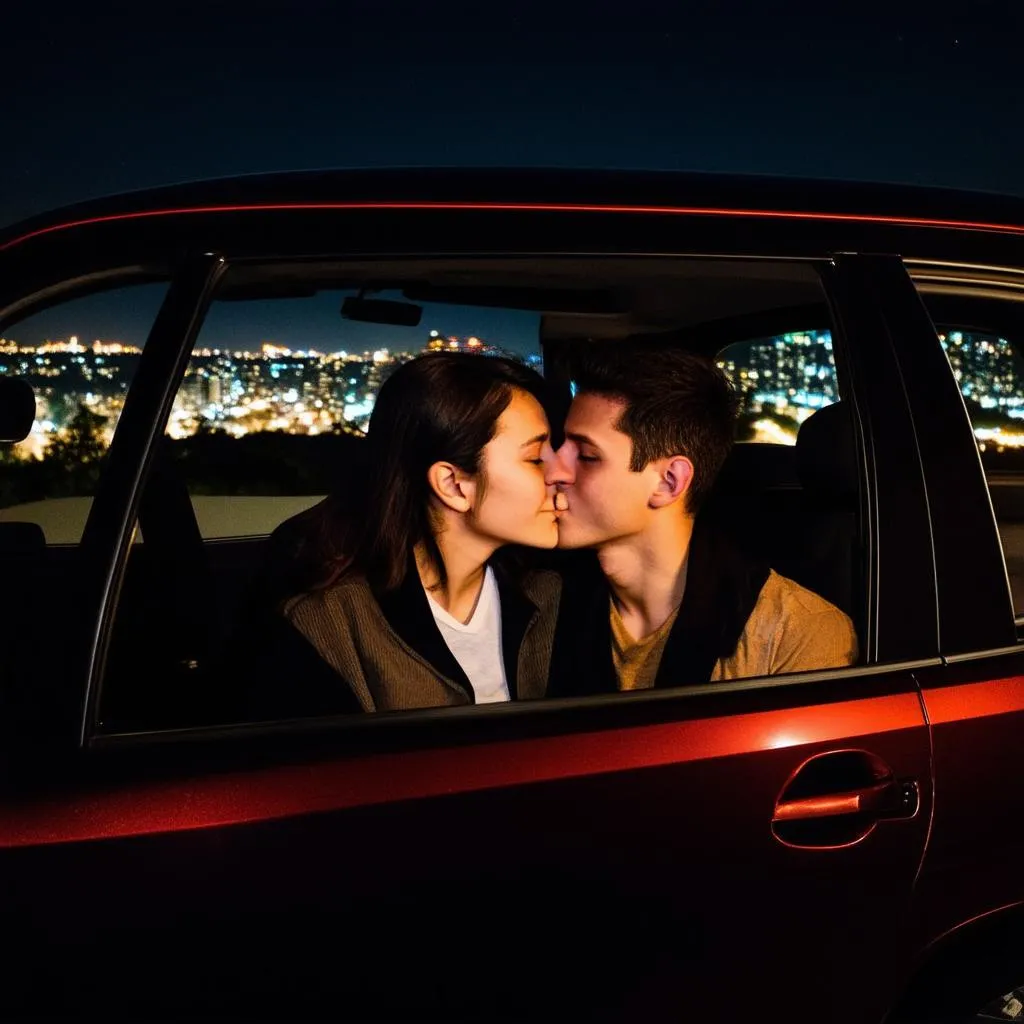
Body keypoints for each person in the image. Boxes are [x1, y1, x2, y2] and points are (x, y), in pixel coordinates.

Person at [546, 344, 857, 696]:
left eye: (587, 457)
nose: (554, 469)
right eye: (561, 447)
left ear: (669, 482)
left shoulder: (795, 633)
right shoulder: (543, 605)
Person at [273, 352, 565, 713]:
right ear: (454, 485)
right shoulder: (331, 624)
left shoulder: (551, 594)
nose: (561, 473)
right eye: (536, 458)